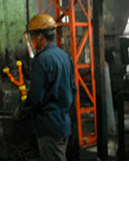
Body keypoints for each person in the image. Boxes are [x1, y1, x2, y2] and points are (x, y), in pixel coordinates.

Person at [19, 13, 77, 161]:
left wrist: (21, 111)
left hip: (49, 127)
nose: (32, 40)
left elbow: (36, 97)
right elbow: (73, 89)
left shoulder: (43, 60)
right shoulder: (64, 56)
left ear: (40, 36)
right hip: (64, 123)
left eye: (33, 36)